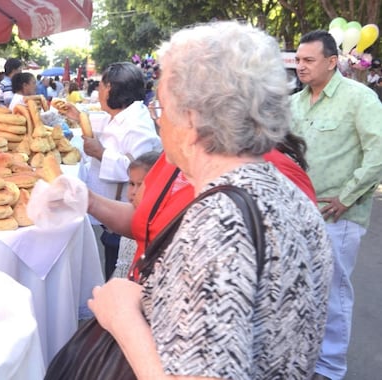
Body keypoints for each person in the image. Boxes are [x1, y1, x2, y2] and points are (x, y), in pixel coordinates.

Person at [87, 21, 333, 379]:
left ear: (190, 117)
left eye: (161, 105)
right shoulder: (282, 191)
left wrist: (122, 319)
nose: (159, 121)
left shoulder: (221, 219)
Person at [290, 30, 382, 380]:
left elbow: (378, 154)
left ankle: (329, 370)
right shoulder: (293, 103)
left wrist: (347, 197)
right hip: (297, 214)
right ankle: (302, 359)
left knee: (332, 293)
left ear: (332, 62)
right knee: (298, 290)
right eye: (298, 60)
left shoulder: (360, 98)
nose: (301, 66)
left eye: (308, 60)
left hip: (337, 216)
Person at [58, 61, 161, 280]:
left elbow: (139, 173)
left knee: (113, 270)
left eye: (102, 86)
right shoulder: (122, 116)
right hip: (110, 217)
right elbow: (104, 122)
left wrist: (101, 154)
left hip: (122, 221)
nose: (98, 91)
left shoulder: (138, 124)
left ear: (112, 88)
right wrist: (78, 116)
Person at [110, 150, 160, 279]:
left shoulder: (153, 224)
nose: (134, 192)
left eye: (141, 185)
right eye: (131, 184)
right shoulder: (129, 217)